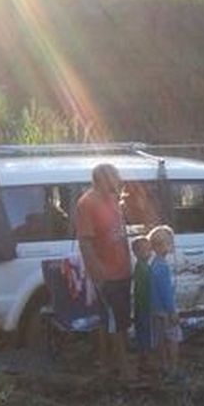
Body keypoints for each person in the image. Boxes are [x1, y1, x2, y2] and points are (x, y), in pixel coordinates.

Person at [75, 163, 133, 381]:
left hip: (122, 270)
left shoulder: (113, 199)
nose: (118, 179)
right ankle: (123, 367)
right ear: (102, 179)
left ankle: (106, 363)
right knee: (115, 321)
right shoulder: (87, 203)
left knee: (114, 320)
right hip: (106, 273)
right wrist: (98, 274)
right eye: (115, 176)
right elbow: (85, 243)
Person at [147, 225, 183, 380]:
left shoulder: (153, 264)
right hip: (165, 311)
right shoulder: (163, 267)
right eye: (168, 243)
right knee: (173, 338)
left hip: (155, 310)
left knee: (159, 339)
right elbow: (166, 293)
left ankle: (163, 366)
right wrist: (172, 311)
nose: (169, 246)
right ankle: (173, 369)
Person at [130, 235, 155, 377]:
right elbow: (144, 290)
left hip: (142, 307)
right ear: (137, 253)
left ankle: (144, 360)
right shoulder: (142, 268)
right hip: (144, 307)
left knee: (143, 333)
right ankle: (144, 362)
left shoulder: (143, 267)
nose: (149, 253)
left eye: (149, 249)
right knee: (145, 334)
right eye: (145, 250)